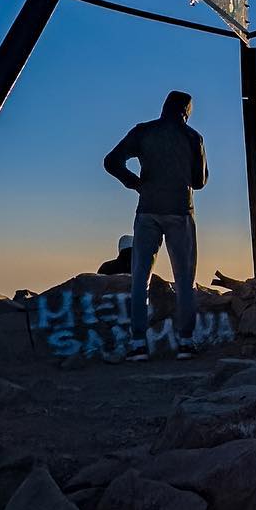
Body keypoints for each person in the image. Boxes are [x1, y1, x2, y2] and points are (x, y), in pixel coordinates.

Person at [103, 90, 208, 360]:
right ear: (186, 111)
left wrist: (136, 184)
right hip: (180, 211)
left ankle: (138, 344)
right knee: (185, 280)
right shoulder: (192, 137)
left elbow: (111, 161)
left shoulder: (143, 131)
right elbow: (199, 181)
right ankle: (185, 342)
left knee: (140, 279)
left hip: (147, 210)